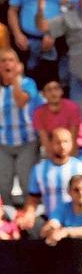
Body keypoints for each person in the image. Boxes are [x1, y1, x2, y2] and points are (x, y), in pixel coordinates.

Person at [15, 127, 82, 235]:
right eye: (58, 142)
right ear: (50, 144)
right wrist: (29, 214)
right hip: (51, 221)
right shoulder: (39, 169)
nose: (62, 146)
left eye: (66, 142)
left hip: (77, 223)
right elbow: (33, 197)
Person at [0, 47, 42, 206]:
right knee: (3, 183)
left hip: (27, 141)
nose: (7, 64)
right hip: (3, 143)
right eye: (3, 61)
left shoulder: (28, 83)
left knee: (27, 181)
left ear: (18, 64)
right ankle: (6, 218)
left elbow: (20, 101)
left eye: (11, 60)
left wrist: (15, 79)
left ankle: (29, 217)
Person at [40, 174, 82, 246]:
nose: (81, 193)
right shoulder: (63, 207)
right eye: (76, 190)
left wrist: (67, 231)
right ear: (69, 191)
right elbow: (52, 224)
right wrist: (51, 230)